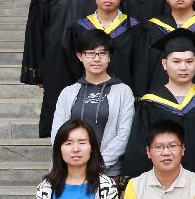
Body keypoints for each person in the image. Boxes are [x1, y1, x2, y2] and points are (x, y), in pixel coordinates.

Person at [21, 0, 97, 138]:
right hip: (54, 60)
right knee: (58, 111)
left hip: (89, 58)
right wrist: (37, 70)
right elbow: (35, 32)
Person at [124, 28, 195, 179]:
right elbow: (140, 151)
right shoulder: (150, 103)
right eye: (176, 61)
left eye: (189, 61)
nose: (183, 67)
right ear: (164, 64)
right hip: (159, 183)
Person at [52, 30, 135, 179]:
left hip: (107, 173)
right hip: (70, 172)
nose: (96, 59)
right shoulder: (68, 92)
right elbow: (57, 134)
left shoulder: (123, 91)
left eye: (102, 53)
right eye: (90, 53)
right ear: (80, 56)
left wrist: (97, 165)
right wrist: (75, 163)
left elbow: (124, 134)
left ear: (109, 57)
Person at [66, 0, 140, 86]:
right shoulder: (79, 27)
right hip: (86, 93)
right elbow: (71, 67)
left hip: (124, 93)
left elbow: (139, 68)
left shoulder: (134, 28)